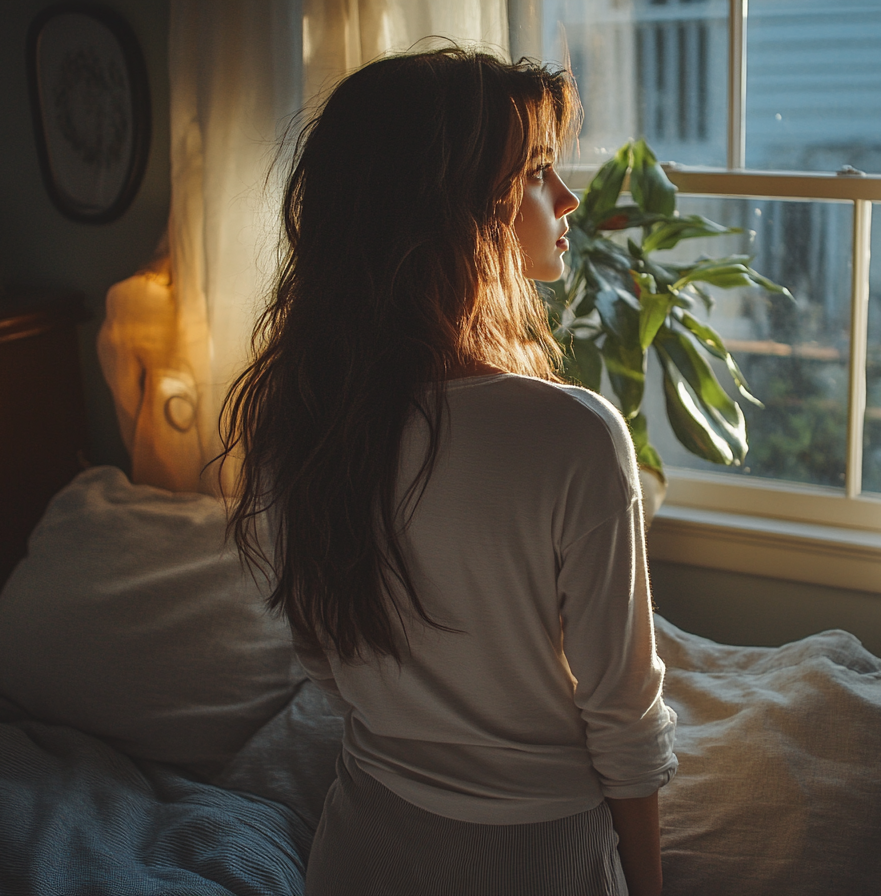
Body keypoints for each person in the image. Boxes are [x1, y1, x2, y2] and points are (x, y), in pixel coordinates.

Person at [223, 47, 677, 896]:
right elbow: (623, 719)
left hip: (362, 842)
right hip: (537, 857)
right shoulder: (571, 436)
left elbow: (324, 660)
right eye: (540, 172)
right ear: (459, 214)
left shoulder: (301, 420)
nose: (569, 199)